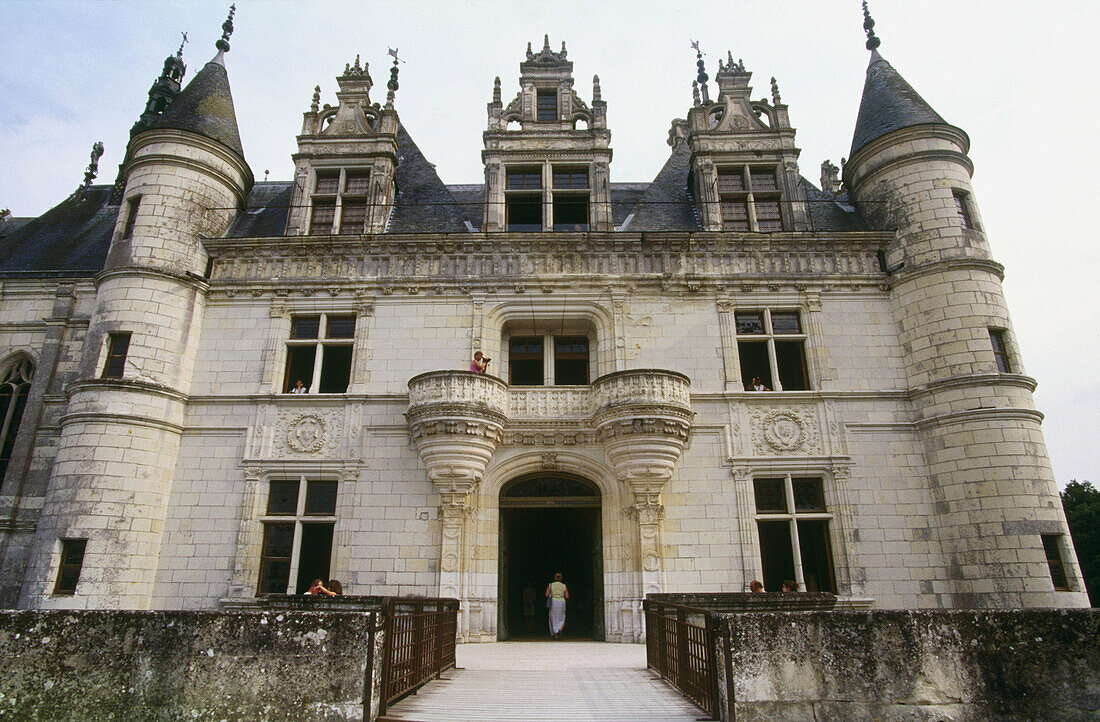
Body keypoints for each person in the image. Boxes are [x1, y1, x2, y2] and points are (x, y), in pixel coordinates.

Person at [546, 572, 568, 639]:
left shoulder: (551, 585)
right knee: (562, 617)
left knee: (553, 617)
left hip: (553, 602)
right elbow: (567, 596)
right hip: (562, 602)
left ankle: (555, 634)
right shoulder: (564, 586)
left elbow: (546, 594)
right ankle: (560, 629)